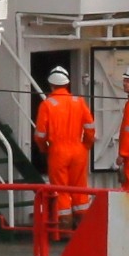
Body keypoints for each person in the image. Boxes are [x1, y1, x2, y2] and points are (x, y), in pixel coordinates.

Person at [33, 66, 93, 194]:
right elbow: (90, 128)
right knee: (80, 191)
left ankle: (64, 214)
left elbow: (40, 135)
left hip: (58, 153)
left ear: (51, 84)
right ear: (67, 83)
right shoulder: (79, 102)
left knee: (61, 194)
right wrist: (86, 145)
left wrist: (45, 149)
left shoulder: (47, 104)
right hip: (79, 151)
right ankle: (82, 213)